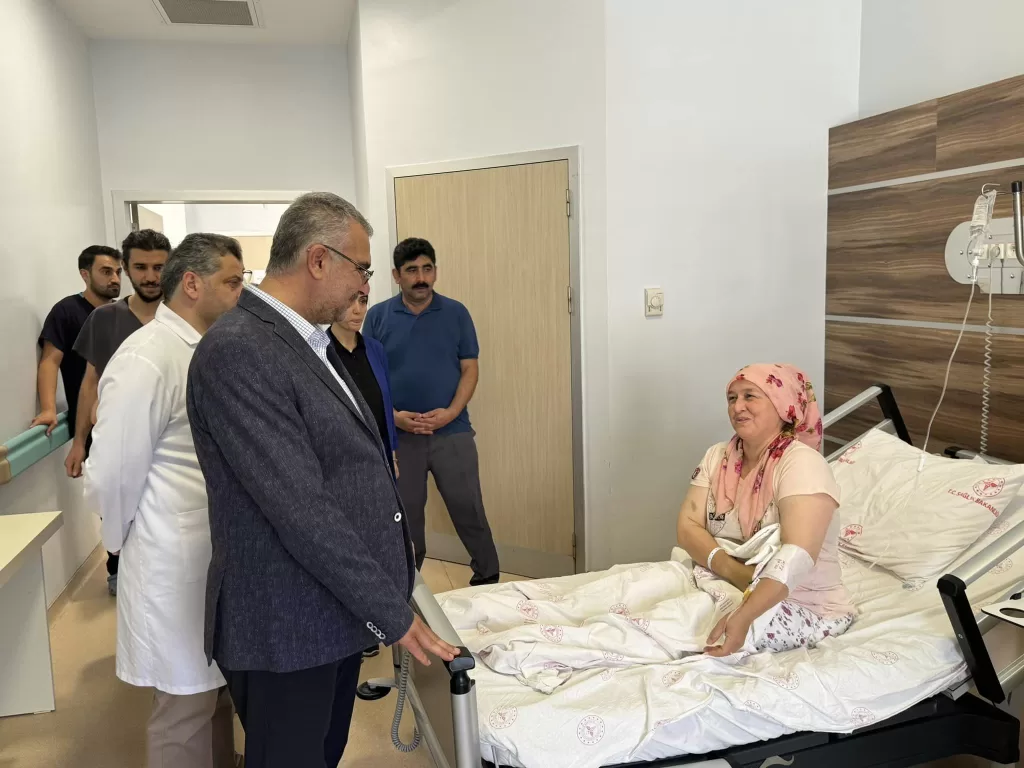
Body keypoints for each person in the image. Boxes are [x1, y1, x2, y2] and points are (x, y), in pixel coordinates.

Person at [186, 192, 458, 768]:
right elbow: (302, 509)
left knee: (323, 753)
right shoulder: (239, 350)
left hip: (329, 612)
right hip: (285, 625)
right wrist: (393, 612)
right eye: (361, 269)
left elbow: (346, 464)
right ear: (317, 259)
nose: (363, 286)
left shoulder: (307, 342)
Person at [83, 233, 245, 768]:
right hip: (169, 557)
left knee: (214, 691)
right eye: (232, 282)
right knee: (183, 703)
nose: (241, 293)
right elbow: (111, 472)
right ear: (193, 284)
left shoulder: (203, 350)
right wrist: (119, 541)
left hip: (210, 553)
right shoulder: (146, 357)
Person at [677, 364, 855, 657]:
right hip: (725, 580)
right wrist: (734, 572)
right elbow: (687, 527)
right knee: (636, 599)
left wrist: (744, 615)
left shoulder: (801, 464)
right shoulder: (717, 456)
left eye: (750, 396)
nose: (738, 407)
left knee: (684, 633)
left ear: (783, 404)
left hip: (801, 604)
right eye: (732, 398)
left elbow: (796, 555)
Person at [363, 237, 500, 586]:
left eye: (427, 269)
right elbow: (370, 375)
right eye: (412, 270)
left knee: (469, 509)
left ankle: (487, 578)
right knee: (406, 518)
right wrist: (394, 417)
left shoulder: (457, 313)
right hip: (400, 438)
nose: (421, 278)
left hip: (452, 432)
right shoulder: (377, 317)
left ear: (435, 271)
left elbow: (470, 369)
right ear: (397, 275)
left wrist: (450, 413)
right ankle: (409, 589)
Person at [70, 228, 171, 596]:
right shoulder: (105, 319)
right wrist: (79, 442)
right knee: (117, 509)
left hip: (169, 445)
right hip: (116, 440)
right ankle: (118, 571)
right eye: (141, 267)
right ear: (126, 269)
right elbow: (90, 383)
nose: (151, 276)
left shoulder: (182, 318)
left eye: (159, 267)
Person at [31, 245, 122, 438]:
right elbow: (50, 362)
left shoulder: (124, 313)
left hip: (126, 417)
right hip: (88, 425)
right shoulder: (66, 311)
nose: (115, 279)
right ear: (85, 275)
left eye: (118, 272)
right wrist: (48, 409)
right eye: (106, 272)